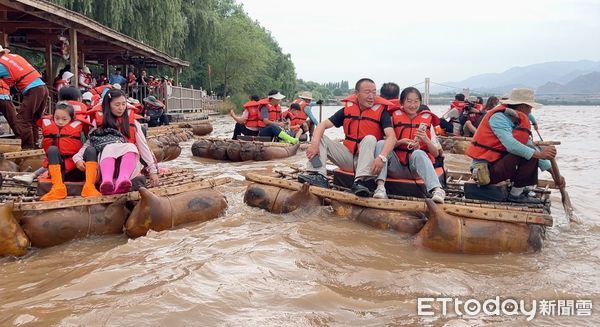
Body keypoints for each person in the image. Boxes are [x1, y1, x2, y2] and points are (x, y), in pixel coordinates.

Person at [297, 78, 397, 197]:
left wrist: (382, 157)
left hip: (368, 161)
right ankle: (318, 175)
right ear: (356, 94)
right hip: (349, 158)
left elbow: (392, 137)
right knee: (320, 137)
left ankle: (360, 181)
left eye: (374, 92)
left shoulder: (382, 112)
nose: (371, 96)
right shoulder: (347, 110)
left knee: (370, 138)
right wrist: (314, 145)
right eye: (367, 92)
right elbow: (322, 125)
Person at [465, 88, 565, 203]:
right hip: (485, 170)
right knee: (531, 154)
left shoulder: (516, 120)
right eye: (529, 107)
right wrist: (540, 154)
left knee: (531, 151)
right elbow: (512, 146)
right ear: (522, 106)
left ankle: (520, 190)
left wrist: (554, 174)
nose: (530, 111)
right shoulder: (499, 118)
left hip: (498, 165)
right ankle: (515, 195)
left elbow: (527, 144)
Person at [74, 89, 159, 195]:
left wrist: (152, 171)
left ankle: (122, 180)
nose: (121, 108)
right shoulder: (99, 122)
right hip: (105, 165)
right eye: (117, 104)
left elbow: (143, 147)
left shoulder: (133, 123)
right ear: (108, 105)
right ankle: (107, 181)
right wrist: (78, 158)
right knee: (109, 147)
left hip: (129, 165)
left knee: (130, 147)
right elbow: (89, 143)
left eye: (124, 104)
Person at [373, 87, 446, 202]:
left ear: (420, 102)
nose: (413, 105)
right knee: (381, 143)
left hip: (416, 169)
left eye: (416, 101)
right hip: (396, 167)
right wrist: (400, 142)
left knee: (418, 153)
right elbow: (386, 144)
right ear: (401, 102)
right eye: (409, 101)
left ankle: (437, 189)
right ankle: (380, 187)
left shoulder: (427, 122)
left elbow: (436, 153)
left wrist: (426, 140)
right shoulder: (393, 118)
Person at [37, 102, 100, 201]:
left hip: (77, 169)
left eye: (64, 119)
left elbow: (86, 146)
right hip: (60, 172)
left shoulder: (80, 130)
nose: (60, 122)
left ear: (72, 119)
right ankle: (58, 188)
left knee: (91, 150)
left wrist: (78, 160)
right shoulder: (49, 128)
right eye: (56, 118)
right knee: (52, 149)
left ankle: (89, 187)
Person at [0, 46, 49, 149]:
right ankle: (35, 144)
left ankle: (28, 147)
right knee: (34, 119)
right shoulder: (14, 57)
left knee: (23, 120)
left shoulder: (1, 64)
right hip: (42, 87)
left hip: (33, 90)